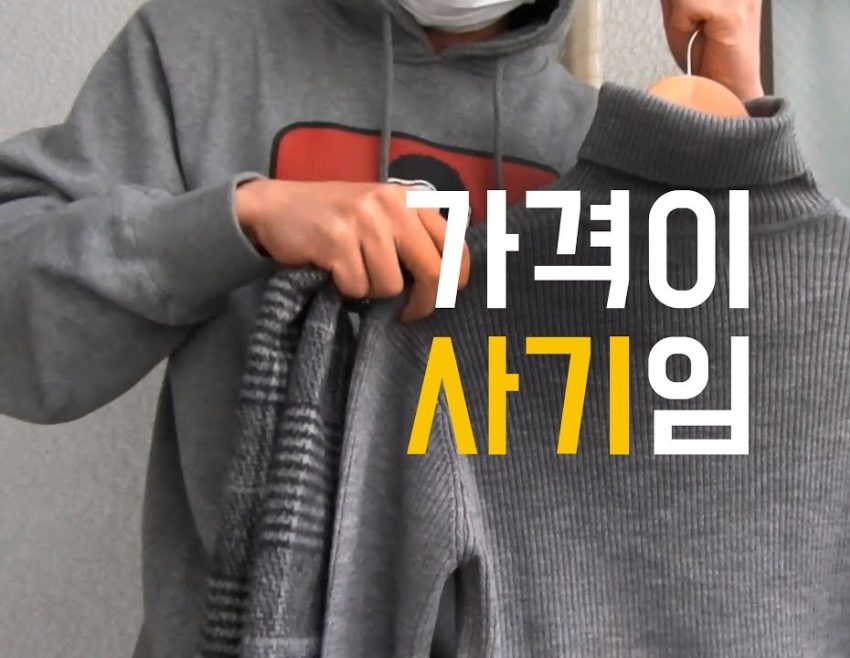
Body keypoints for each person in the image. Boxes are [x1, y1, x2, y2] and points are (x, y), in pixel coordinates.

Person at [0, 0, 765, 655]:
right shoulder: (202, 50)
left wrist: (738, 131)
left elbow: (738, 457)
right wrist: (243, 219)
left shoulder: (605, 147)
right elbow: (16, 339)